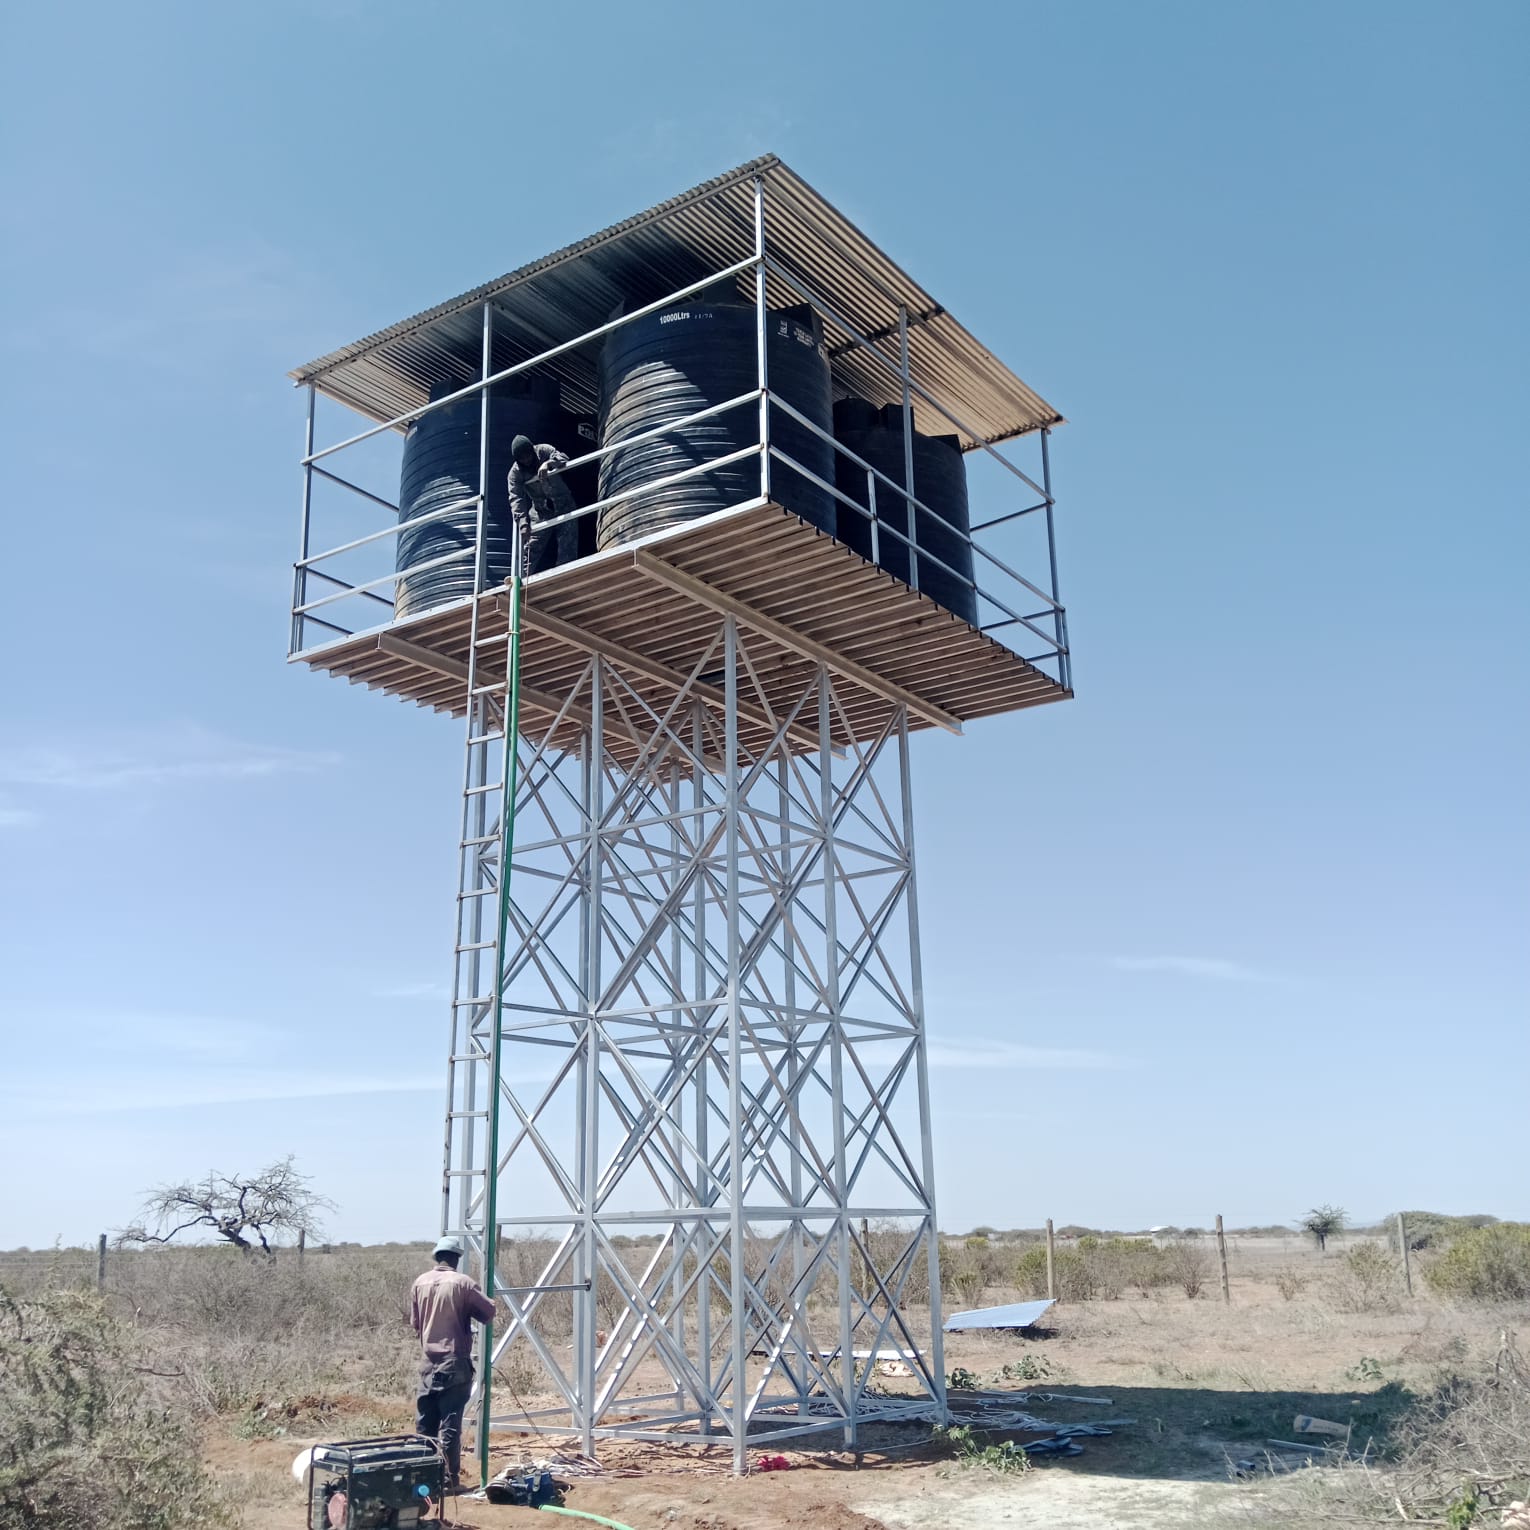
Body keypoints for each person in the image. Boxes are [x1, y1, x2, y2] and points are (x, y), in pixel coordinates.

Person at [409, 1234, 495, 1491]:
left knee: (425, 1423)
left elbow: (415, 1323)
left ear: (436, 1258)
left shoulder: (420, 1283)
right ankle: (448, 1480)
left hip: (427, 1362)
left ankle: (423, 1480)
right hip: (454, 1361)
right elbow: (488, 1312)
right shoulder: (463, 1283)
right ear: (456, 1259)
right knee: (450, 1422)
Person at [506, 435, 578, 575]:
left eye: (527, 456)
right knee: (531, 547)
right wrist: (523, 523)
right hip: (541, 510)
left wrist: (549, 464)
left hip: (564, 504)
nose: (526, 460)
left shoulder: (543, 450)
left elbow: (563, 457)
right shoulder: (515, 473)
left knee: (567, 543)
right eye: (522, 459)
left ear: (532, 450)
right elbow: (516, 498)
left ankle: (565, 575)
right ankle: (521, 580)